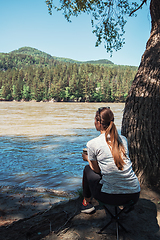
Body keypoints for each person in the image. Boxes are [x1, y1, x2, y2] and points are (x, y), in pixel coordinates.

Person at [81, 107, 140, 213]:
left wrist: (87, 159)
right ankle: (127, 205)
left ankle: (86, 203)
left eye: (95, 120)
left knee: (87, 169)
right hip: (134, 195)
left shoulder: (92, 144)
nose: (94, 122)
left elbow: (97, 170)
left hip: (110, 197)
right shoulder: (123, 139)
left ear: (98, 123)